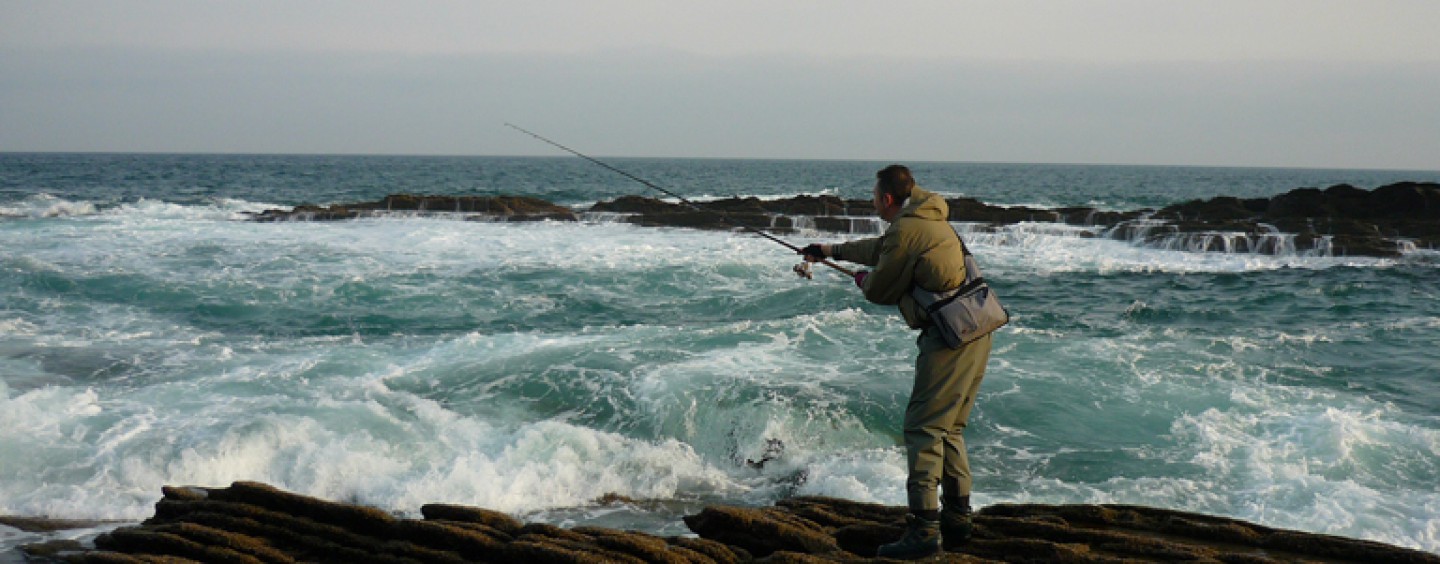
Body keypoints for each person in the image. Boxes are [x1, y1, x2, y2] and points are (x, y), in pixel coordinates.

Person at [801, 164, 994, 559]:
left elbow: (880, 287)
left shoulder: (907, 229)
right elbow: (881, 249)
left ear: (887, 199)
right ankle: (958, 520)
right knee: (950, 427)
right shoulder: (926, 219)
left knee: (922, 428)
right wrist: (829, 251)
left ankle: (924, 531)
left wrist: (861, 281)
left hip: (949, 337)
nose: (872, 204)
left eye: (873, 198)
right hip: (978, 326)